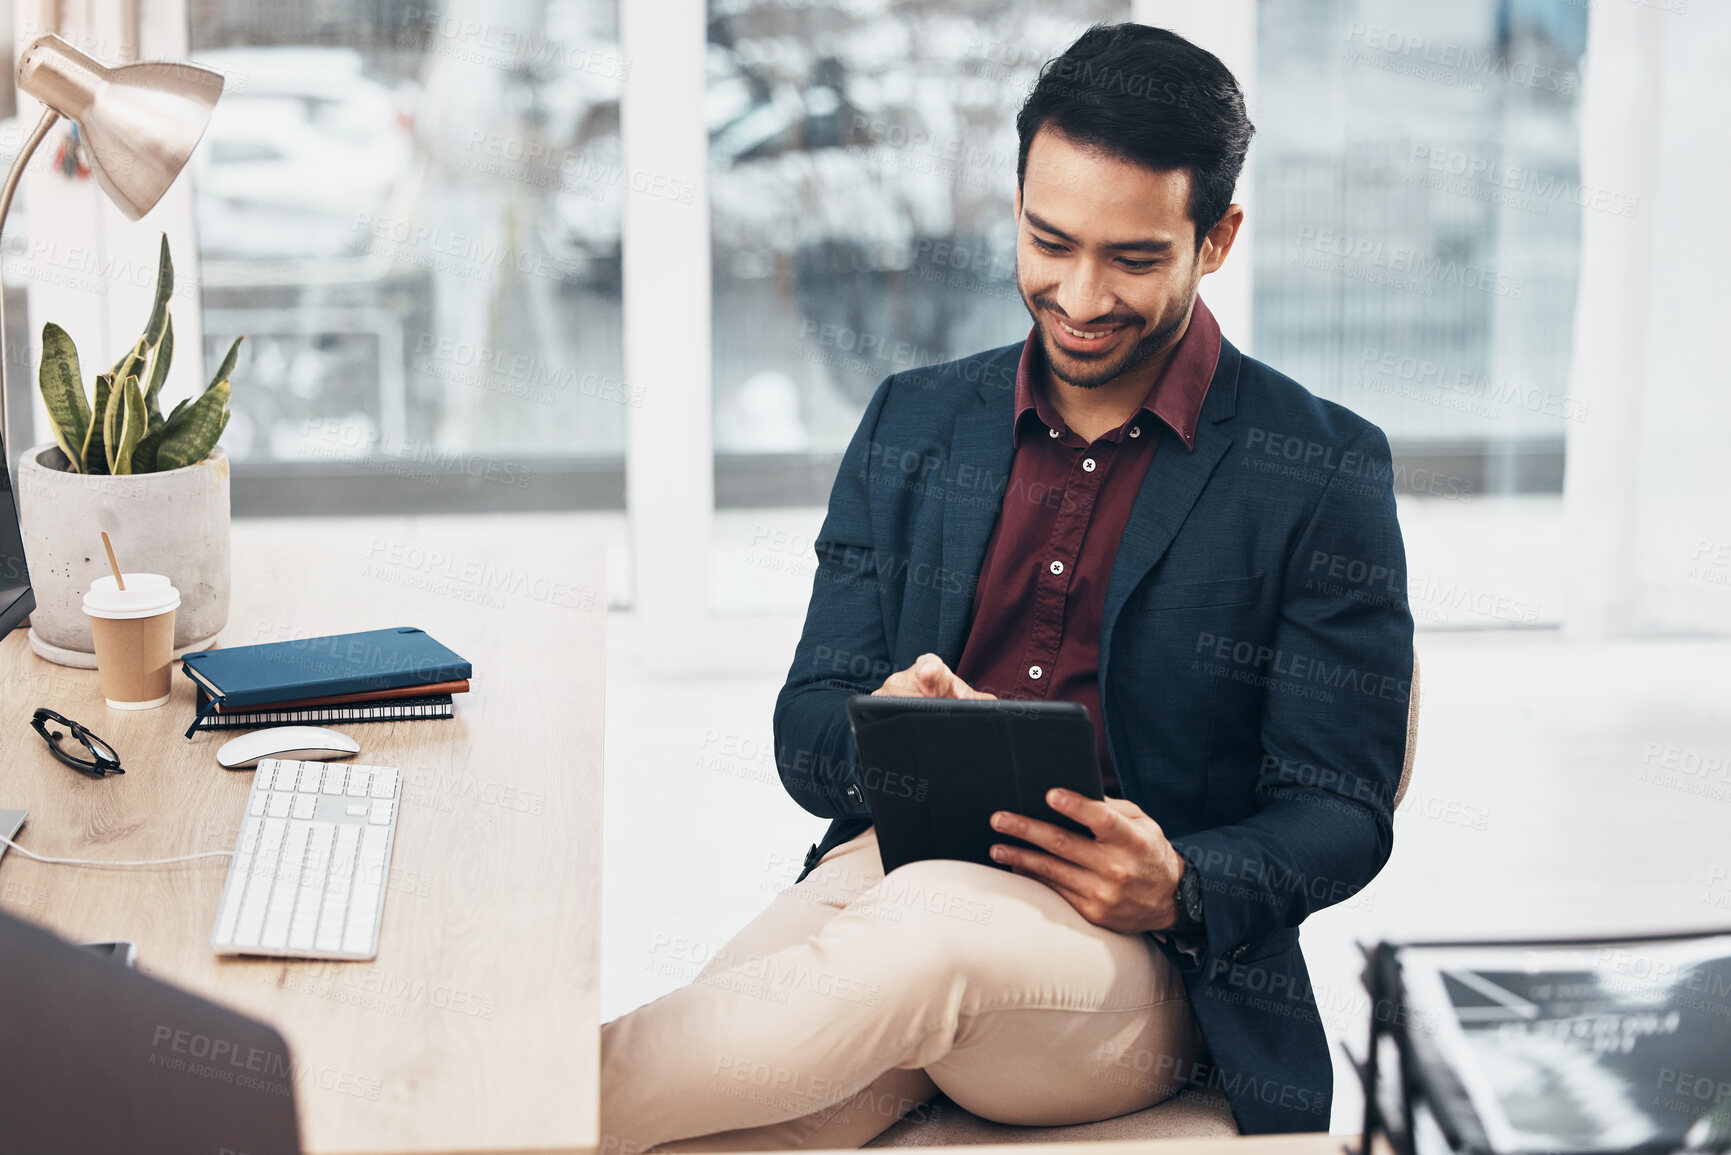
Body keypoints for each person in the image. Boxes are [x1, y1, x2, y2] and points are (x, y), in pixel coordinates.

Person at [601, 22, 1414, 1150]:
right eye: (1049, 241)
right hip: (891, 873)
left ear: (1215, 239)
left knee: (918, 943)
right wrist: (890, 725)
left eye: (1133, 259)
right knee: (703, 1117)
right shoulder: (916, 419)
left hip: (1141, 962)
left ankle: (447, 1108)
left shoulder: (1318, 467)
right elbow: (803, 731)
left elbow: (1345, 808)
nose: (1079, 295)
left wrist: (1179, 883)